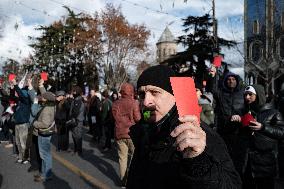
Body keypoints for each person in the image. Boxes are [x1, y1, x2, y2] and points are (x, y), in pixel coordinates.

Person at [127, 65, 242, 188]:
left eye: (155, 92)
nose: (146, 101)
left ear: (174, 96)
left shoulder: (199, 136)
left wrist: (198, 161)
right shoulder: (144, 133)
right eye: (142, 94)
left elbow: (232, 185)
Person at [231, 85, 284, 189]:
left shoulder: (273, 113)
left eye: (250, 94)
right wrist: (232, 120)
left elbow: (281, 132)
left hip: (265, 164)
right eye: (245, 94)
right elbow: (230, 132)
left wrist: (263, 127)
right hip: (245, 163)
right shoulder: (241, 112)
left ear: (258, 96)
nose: (247, 97)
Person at [112, 83, 141, 187]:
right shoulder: (134, 103)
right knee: (134, 158)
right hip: (131, 134)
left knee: (122, 158)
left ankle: (123, 182)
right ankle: (132, 180)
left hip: (119, 133)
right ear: (131, 91)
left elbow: (115, 117)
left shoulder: (115, 103)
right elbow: (138, 118)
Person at [214, 72, 244, 159]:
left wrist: (241, 118)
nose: (231, 81)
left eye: (233, 79)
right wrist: (213, 74)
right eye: (229, 79)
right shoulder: (220, 94)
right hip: (224, 130)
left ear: (237, 81)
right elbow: (213, 88)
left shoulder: (243, 94)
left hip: (239, 131)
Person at [33, 91, 56, 182]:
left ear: (46, 99)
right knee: (46, 154)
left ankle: (46, 175)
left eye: (43, 97)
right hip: (47, 132)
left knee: (45, 154)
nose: (41, 98)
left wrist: (35, 123)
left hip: (44, 133)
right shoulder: (52, 106)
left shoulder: (46, 109)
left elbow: (45, 124)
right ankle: (44, 173)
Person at [10, 78, 31, 164]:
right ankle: (20, 157)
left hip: (23, 124)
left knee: (23, 143)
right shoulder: (19, 101)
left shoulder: (26, 101)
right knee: (18, 142)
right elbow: (11, 97)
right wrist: (12, 88)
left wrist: (15, 85)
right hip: (17, 124)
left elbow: (21, 95)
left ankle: (25, 158)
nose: (19, 94)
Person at [68, 86, 85, 156]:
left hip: (78, 120)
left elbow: (75, 112)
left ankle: (78, 150)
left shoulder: (78, 101)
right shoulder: (76, 100)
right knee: (75, 135)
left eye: (74, 91)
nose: (73, 93)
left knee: (77, 136)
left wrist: (71, 117)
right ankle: (76, 150)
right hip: (76, 120)